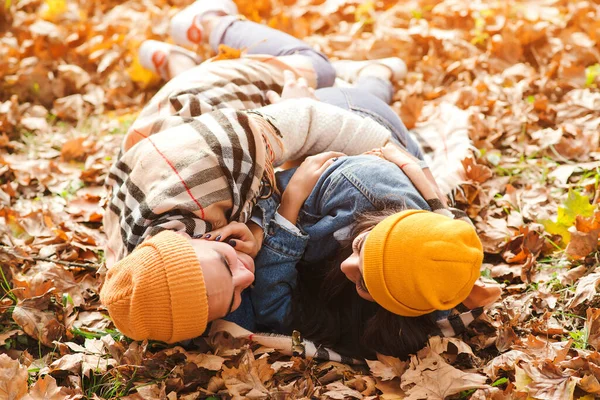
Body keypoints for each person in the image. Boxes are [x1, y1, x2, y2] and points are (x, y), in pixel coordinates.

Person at [99, 1, 419, 345]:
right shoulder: (157, 291)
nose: (246, 275)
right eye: (235, 295)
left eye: (226, 264)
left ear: (190, 238)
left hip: (205, 105)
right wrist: (256, 224)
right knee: (348, 96)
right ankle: (374, 74)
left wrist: (398, 157)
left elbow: (308, 120)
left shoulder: (212, 161)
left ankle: (207, 23)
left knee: (317, 69)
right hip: (171, 144)